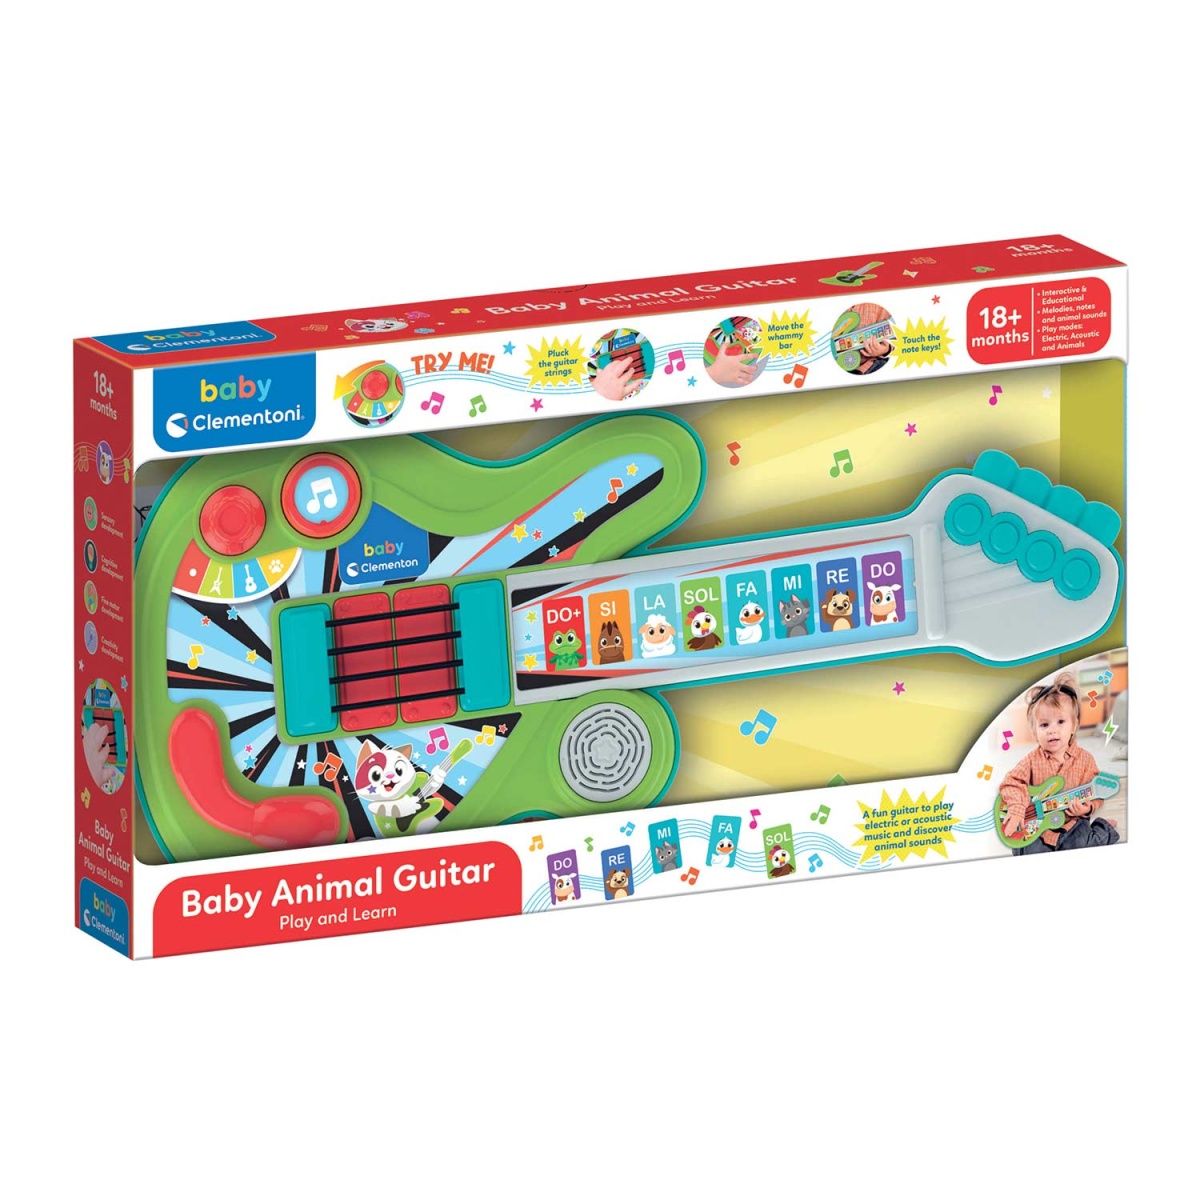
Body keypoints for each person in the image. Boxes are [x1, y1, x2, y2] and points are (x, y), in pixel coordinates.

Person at [999, 672, 1119, 853]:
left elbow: (1096, 795)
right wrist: (1017, 807)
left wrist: (1087, 808)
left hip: (1072, 824)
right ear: (1035, 731)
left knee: (1082, 844)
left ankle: (1103, 829)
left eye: (1060, 721)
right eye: (1044, 725)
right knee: (1025, 850)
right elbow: (1011, 782)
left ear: (1074, 725)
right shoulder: (1031, 760)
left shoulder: (1085, 760)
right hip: (1039, 828)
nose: (1052, 730)